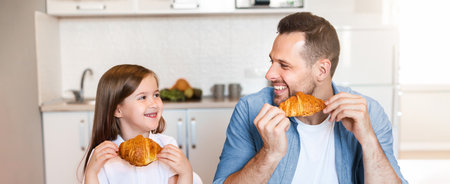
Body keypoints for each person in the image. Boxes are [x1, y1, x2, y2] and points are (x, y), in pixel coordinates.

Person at [214, 12, 407, 183]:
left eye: (284, 65)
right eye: (272, 61)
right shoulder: (251, 109)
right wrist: (269, 154)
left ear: (322, 70)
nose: (269, 74)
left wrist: (368, 140)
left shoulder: (368, 113)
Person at [81, 64, 194, 184]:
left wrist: (186, 172)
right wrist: (91, 173)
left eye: (156, 95)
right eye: (142, 97)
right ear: (118, 110)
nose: (154, 104)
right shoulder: (103, 155)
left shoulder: (167, 146)